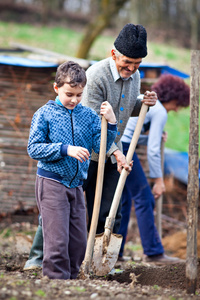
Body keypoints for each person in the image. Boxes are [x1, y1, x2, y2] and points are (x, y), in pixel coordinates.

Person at [24, 23, 157, 271]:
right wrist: (113, 150)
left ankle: (96, 262)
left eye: (137, 64)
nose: (131, 69)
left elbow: (124, 108)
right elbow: (92, 122)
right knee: (57, 211)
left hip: (110, 151)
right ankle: (37, 256)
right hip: (85, 154)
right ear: (113, 54)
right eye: (127, 62)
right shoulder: (95, 76)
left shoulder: (134, 76)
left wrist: (143, 103)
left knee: (109, 209)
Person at [26, 61, 117, 279]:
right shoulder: (44, 114)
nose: (74, 100)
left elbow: (101, 146)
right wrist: (66, 149)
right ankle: (56, 283)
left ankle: (73, 282)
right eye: (69, 94)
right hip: (52, 182)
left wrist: (111, 124)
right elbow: (33, 148)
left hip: (76, 185)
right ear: (56, 88)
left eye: (79, 94)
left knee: (78, 242)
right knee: (57, 241)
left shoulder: (87, 115)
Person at [118, 74, 190, 264]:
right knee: (144, 197)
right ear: (173, 98)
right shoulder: (159, 111)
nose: (175, 109)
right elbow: (153, 150)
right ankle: (153, 252)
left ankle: (115, 253)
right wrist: (158, 180)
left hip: (117, 146)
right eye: (177, 105)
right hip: (125, 150)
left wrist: (153, 138)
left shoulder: (148, 103)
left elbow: (132, 136)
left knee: (124, 201)